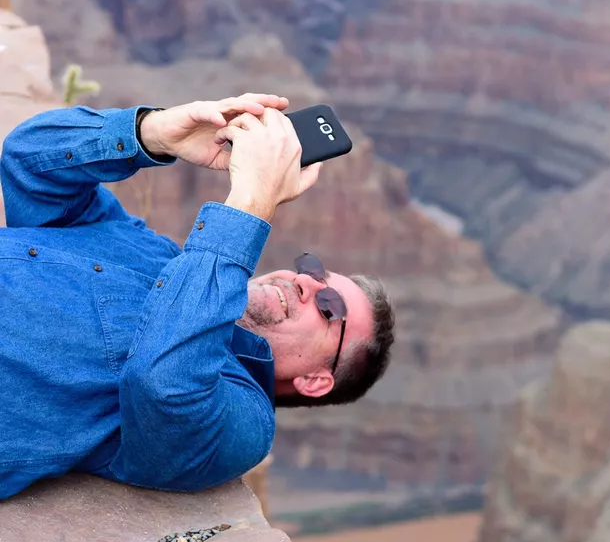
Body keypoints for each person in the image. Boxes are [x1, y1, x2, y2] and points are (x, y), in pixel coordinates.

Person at [0, 94, 394, 500]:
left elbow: (163, 383)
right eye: (312, 269)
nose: (305, 283)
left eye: (330, 307)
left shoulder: (242, 424)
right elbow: (27, 163)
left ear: (314, 381)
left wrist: (253, 203)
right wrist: (152, 134)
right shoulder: (159, 254)